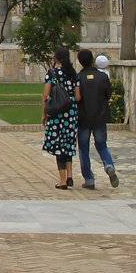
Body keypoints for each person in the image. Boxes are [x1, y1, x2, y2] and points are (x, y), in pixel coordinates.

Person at [76, 49, 118, 189]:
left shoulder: (78, 78)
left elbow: (76, 98)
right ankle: (108, 164)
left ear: (80, 61)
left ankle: (89, 178)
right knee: (101, 145)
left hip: (83, 118)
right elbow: (108, 94)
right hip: (100, 117)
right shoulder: (102, 77)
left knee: (83, 149)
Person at [42, 46, 79, 190]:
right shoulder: (73, 73)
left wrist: (44, 113)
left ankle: (63, 181)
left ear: (56, 58)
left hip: (57, 114)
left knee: (58, 146)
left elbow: (46, 95)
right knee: (68, 144)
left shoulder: (52, 73)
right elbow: (77, 96)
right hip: (71, 114)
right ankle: (70, 176)